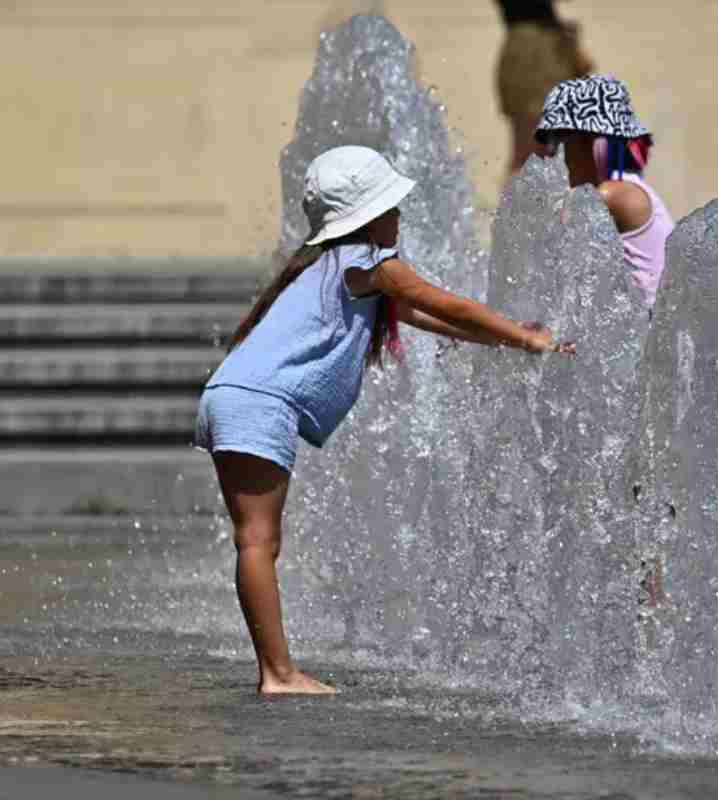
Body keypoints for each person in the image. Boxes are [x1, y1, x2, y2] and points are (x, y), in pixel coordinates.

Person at [194, 146, 573, 694]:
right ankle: (277, 675)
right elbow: (447, 303)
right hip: (256, 403)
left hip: (233, 394)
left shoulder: (331, 269)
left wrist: (518, 343)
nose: (400, 217)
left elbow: (432, 319)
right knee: (257, 540)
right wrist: (530, 335)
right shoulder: (367, 263)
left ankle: (277, 671)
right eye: (393, 207)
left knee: (255, 539)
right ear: (370, 216)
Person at [534, 74, 675, 309]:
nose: (550, 154)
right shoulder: (629, 185)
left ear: (587, 142)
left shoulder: (612, 196)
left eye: (556, 141)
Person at [495, 1, 593, 177]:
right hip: (534, 48)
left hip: (547, 42)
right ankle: (517, 203)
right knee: (531, 151)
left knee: (558, 152)